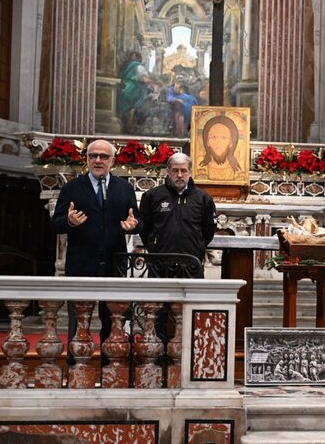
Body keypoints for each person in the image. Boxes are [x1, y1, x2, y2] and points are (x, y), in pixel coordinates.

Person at [52, 139, 141, 364]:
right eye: (93, 156)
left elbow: (136, 220)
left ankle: (111, 366)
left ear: (113, 160)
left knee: (113, 318)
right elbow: (56, 223)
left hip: (114, 262)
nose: (98, 160)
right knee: (79, 317)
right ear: (87, 159)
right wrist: (69, 222)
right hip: (82, 263)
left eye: (103, 156)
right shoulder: (72, 187)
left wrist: (134, 226)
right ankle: (76, 367)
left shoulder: (124, 188)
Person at [139, 152, 217, 278]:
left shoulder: (203, 198)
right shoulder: (152, 196)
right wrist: (154, 248)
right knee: (159, 297)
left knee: (191, 297)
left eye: (183, 171)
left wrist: (197, 247)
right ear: (168, 171)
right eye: (175, 170)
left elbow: (209, 229)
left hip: (191, 262)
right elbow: (145, 228)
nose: (179, 175)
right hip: (160, 262)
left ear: (190, 172)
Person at [197, 115, 243, 181]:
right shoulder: (201, 167)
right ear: (207, 142)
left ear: (231, 143)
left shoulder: (238, 171)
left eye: (224, 137)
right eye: (214, 137)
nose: (218, 142)